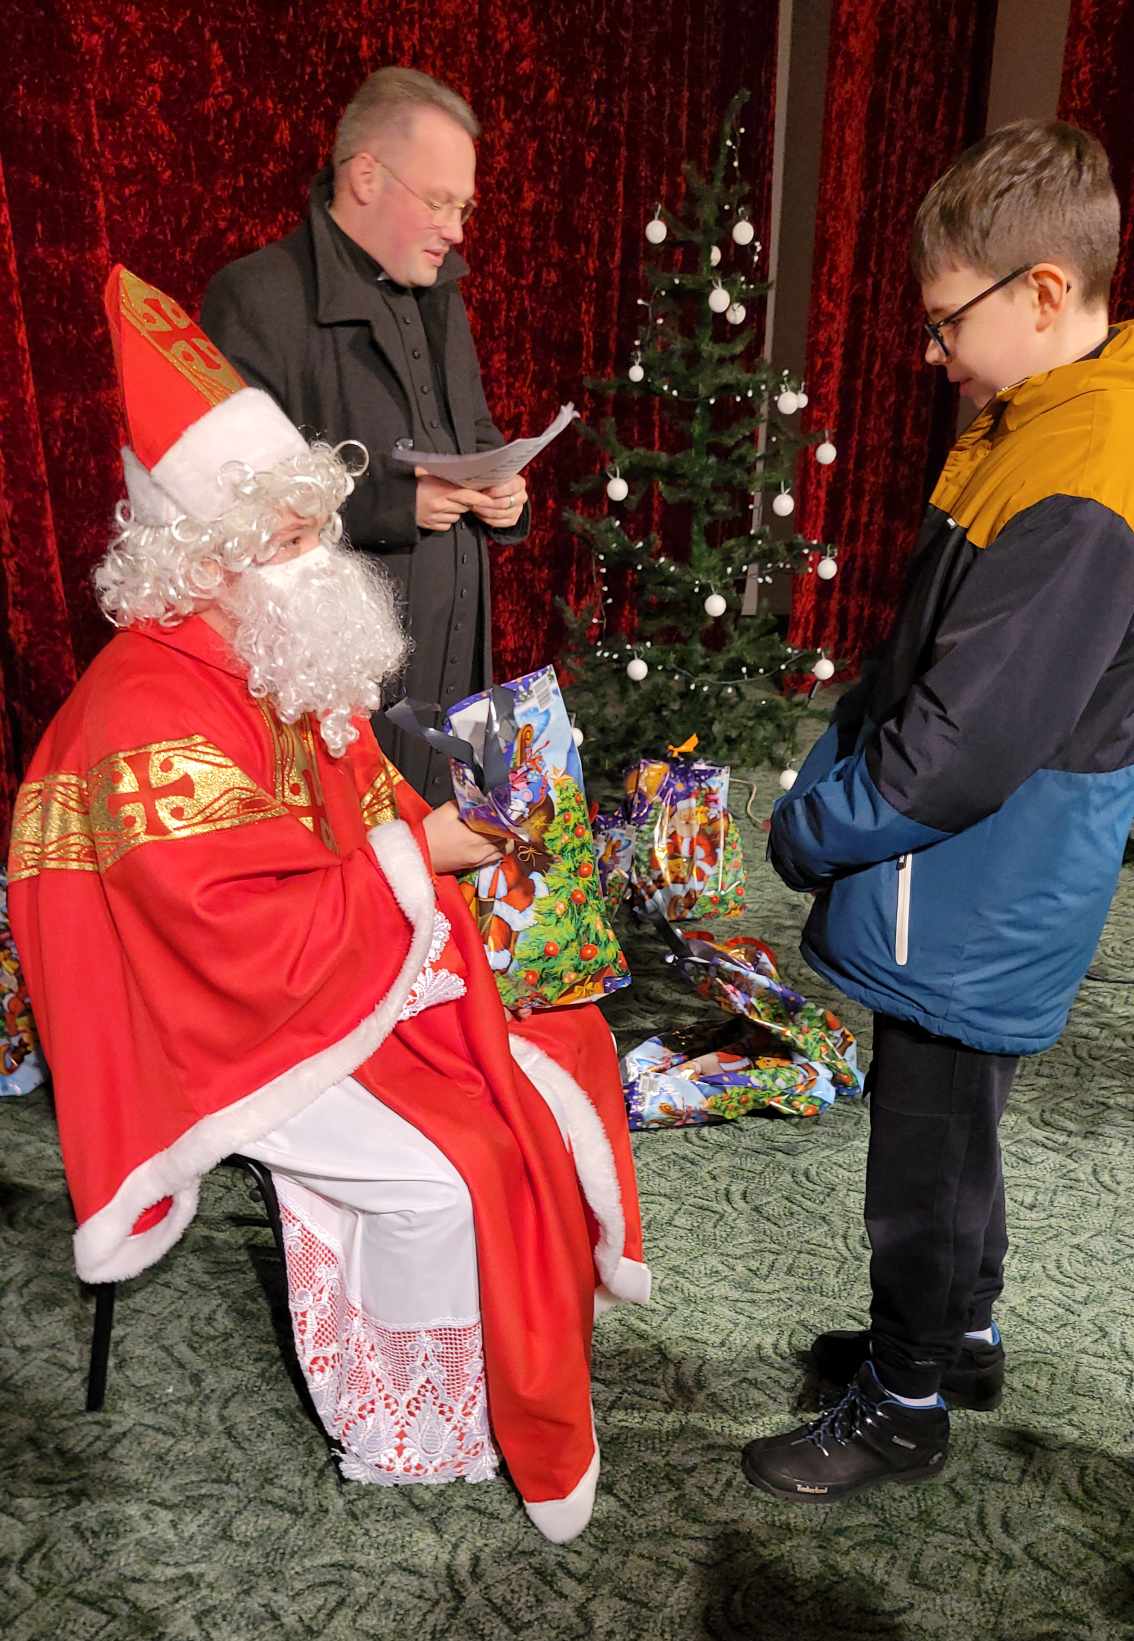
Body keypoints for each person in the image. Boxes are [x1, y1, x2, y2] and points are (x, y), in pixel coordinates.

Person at [8, 266, 648, 1542]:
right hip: (209, 1023)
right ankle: (405, 1427)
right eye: (288, 539)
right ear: (205, 556)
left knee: (556, 1050)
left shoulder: (267, 642)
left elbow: (360, 805)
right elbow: (217, 925)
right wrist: (423, 865)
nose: (321, 560)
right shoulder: (150, 702)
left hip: (328, 964)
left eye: (316, 530)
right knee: (445, 1173)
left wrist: (451, 844)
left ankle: (504, 1360)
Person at [740, 120, 1134, 1503]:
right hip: (985, 871)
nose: (931, 349)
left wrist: (809, 829)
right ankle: (959, 1338)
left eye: (947, 318)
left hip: (983, 875)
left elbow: (959, 749)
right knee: (958, 1121)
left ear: (1043, 290)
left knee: (923, 1142)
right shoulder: (1047, 417)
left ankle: (902, 1406)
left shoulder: (1084, 472)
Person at [199, 67, 530, 804]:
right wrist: (395, 504)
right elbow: (231, 504)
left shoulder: (441, 297)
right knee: (367, 860)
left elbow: (473, 430)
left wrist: (504, 489)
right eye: (439, 203)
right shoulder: (257, 296)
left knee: (444, 856)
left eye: (464, 207)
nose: (457, 229)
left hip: (454, 670)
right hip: (340, 693)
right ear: (366, 177)